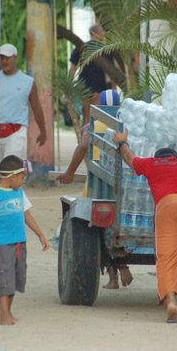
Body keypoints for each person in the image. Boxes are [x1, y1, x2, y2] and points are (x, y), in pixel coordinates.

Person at [113, 130, 177, 323]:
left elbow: (130, 158)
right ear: (175, 158)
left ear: (159, 158)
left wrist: (122, 142)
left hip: (168, 205)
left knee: (167, 257)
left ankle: (171, 302)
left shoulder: (152, 164)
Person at [58, 90, 132, 289]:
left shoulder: (91, 126)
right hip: (125, 183)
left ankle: (113, 278)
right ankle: (121, 265)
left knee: (97, 230)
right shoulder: (128, 126)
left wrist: (69, 173)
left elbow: (83, 146)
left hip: (97, 181)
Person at [0, 155, 49, 325]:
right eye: (22, 178)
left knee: (15, 278)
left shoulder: (19, 192)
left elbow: (26, 214)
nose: (23, 182)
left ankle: (8, 312)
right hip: (2, 244)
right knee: (4, 277)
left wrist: (40, 235)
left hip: (20, 243)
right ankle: (3, 315)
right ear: (12, 176)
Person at [0, 44, 48, 161]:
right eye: (2, 58)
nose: (4, 61)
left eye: (8, 57)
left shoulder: (28, 82)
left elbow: (36, 108)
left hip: (16, 132)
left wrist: (43, 131)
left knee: (10, 168)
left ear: (16, 58)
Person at [69, 24, 118, 125]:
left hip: (83, 86)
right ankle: (96, 139)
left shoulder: (81, 47)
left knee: (86, 115)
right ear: (98, 33)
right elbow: (111, 71)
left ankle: (85, 139)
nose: (104, 34)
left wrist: (70, 86)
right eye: (102, 32)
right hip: (99, 85)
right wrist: (114, 88)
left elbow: (73, 69)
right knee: (98, 116)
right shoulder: (104, 49)